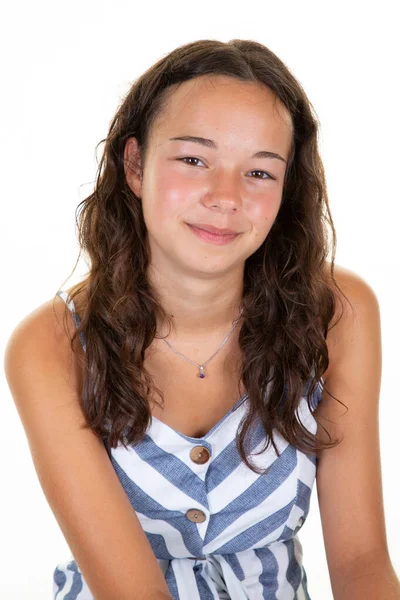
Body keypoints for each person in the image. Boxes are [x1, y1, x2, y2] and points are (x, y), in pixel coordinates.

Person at [4, 38, 400, 600]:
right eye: (194, 160)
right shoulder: (50, 346)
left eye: (260, 173)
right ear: (136, 165)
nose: (225, 197)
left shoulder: (339, 312)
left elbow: (361, 561)